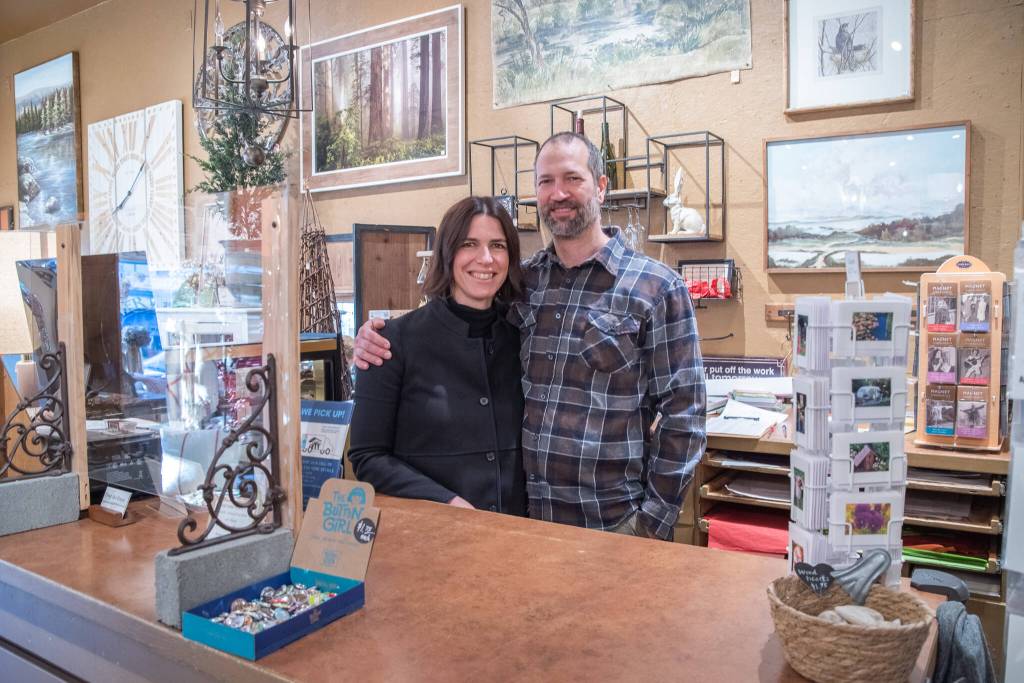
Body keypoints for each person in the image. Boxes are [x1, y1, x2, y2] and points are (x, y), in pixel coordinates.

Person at [356, 132, 706, 541]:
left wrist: (651, 525)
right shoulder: (527, 284)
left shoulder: (656, 287)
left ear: (601, 186)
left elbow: (686, 416)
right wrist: (373, 337)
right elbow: (459, 319)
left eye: (572, 178)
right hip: (526, 525)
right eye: (545, 182)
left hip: (614, 526)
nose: (558, 193)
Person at [347, 196, 527, 515]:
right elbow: (367, 456)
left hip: (519, 535)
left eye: (498, 246)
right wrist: (447, 502)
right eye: (469, 244)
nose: (486, 258)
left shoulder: (523, 337)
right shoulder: (391, 342)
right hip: (432, 535)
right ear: (447, 251)